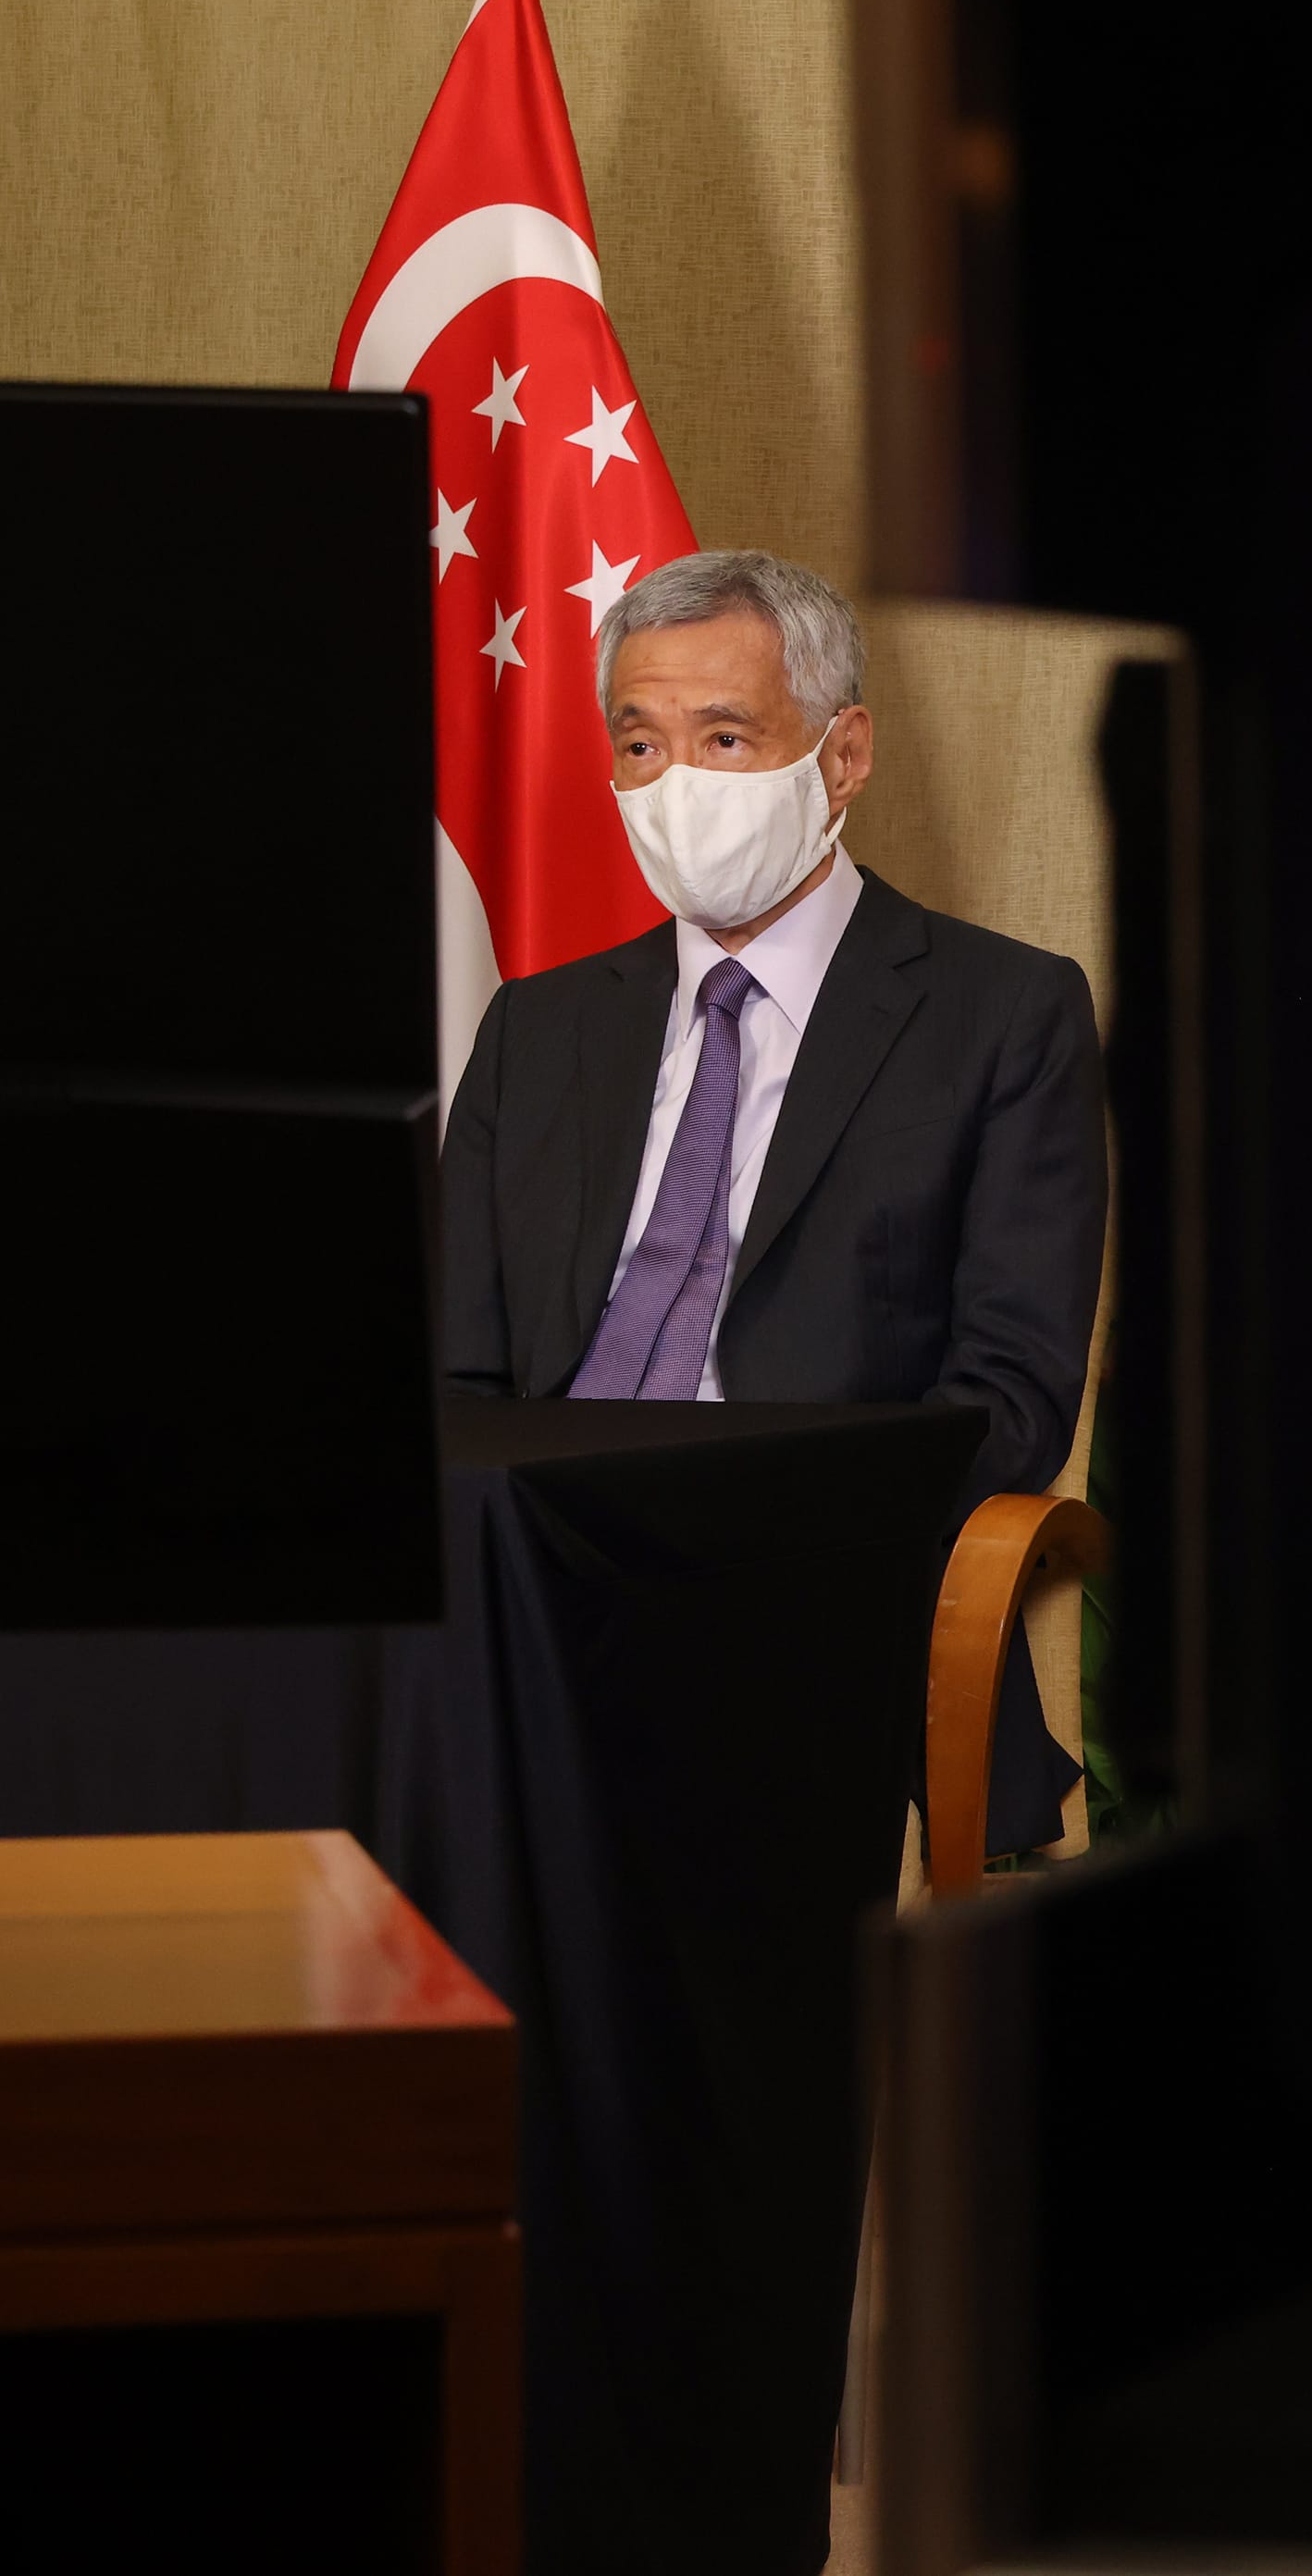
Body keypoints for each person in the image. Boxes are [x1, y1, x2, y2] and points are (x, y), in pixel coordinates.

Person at [439, 549, 1106, 1852]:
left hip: (798, 1585)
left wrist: (746, 1515)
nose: (672, 785)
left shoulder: (1001, 1015)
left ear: (841, 757)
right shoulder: (538, 1029)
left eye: (725, 737)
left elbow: (1013, 1403)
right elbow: (451, 1371)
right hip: (523, 1576)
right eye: (639, 744)